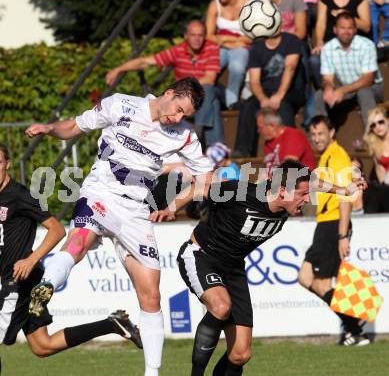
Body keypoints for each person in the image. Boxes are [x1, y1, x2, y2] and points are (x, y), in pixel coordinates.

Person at [25, 77, 214, 376]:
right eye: (177, 109)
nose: (176, 118)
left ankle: (152, 374)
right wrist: (49, 128)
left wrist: (175, 205)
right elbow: (74, 126)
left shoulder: (185, 136)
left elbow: (206, 176)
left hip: (136, 211)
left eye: (183, 115)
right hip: (102, 193)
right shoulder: (121, 104)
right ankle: (47, 285)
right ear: (168, 93)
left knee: (151, 295)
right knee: (80, 242)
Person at [150, 159, 366, 375]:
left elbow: (315, 183)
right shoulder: (241, 192)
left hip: (233, 269)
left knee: (240, 354)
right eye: (302, 194)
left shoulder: (290, 199)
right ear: (283, 191)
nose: (307, 199)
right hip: (201, 256)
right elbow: (199, 188)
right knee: (220, 307)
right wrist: (170, 209)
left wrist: (345, 189)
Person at [0, 143, 142, 358]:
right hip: (8, 279)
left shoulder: (19, 195)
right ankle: (113, 324)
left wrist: (32, 259)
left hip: (18, 280)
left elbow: (56, 230)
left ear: (7, 164)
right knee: (42, 346)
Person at [298, 116, 370, 346]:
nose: (316, 138)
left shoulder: (337, 156)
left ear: (332, 132)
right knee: (306, 278)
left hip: (333, 224)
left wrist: (341, 235)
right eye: (313, 134)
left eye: (320, 133)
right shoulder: (327, 157)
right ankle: (353, 325)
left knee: (318, 283)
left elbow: (345, 197)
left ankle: (354, 329)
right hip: (325, 224)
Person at [106, 20, 223, 147]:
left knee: (208, 90)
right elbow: (145, 62)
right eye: (193, 35)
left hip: (205, 93)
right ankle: (216, 147)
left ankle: (199, 133)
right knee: (214, 104)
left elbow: (210, 78)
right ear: (186, 36)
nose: (196, 39)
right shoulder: (178, 50)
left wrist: (186, 87)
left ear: (204, 37)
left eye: (200, 35)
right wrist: (119, 69)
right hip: (187, 99)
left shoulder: (211, 47)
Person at [233, 27, 306, 157]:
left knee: (283, 105)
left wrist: (279, 94)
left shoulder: (291, 41)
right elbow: (254, 81)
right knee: (248, 106)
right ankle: (242, 150)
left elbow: (290, 68)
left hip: (291, 90)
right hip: (266, 91)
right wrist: (262, 99)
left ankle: (289, 150)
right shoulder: (257, 47)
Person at [312, 12, 384, 128]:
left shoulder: (366, 45)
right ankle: (321, 136)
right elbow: (327, 78)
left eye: (350, 28)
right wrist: (328, 88)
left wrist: (343, 90)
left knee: (363, 92)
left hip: (373, 88)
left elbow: (368, 80)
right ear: (335, 30)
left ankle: (373, 135)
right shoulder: (327, 49)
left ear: (355, 30)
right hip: (347, 91)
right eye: (342, 28)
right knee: (319, 95)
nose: (346, 31)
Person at [310, 0, 371, 88]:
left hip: (353, 42)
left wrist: (346, 15)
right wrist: (320, 42)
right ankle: (325, 90)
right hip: (331, 42)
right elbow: (321, 23)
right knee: (314, 60)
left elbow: (366, 26)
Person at [205, 0, 252, 109]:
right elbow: (209, 35)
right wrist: (232, 41)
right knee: (209, 65)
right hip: (222, 45)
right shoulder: (214, 5)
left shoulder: (249, 5)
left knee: (237, 67)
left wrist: (225, 38)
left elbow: (252, 37)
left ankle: (232, 102)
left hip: (242, 46)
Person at [256, 107, 316, 173]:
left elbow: (288, 167)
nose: (258, 131)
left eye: (260, 127)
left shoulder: (293, 135)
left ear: (272, 126)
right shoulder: (268, 143)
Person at [362, 105, 389, 212]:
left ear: (388, 121)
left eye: (381, 122)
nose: (378, 127)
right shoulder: (374, 146)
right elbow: (382, 177)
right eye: (373, 125)